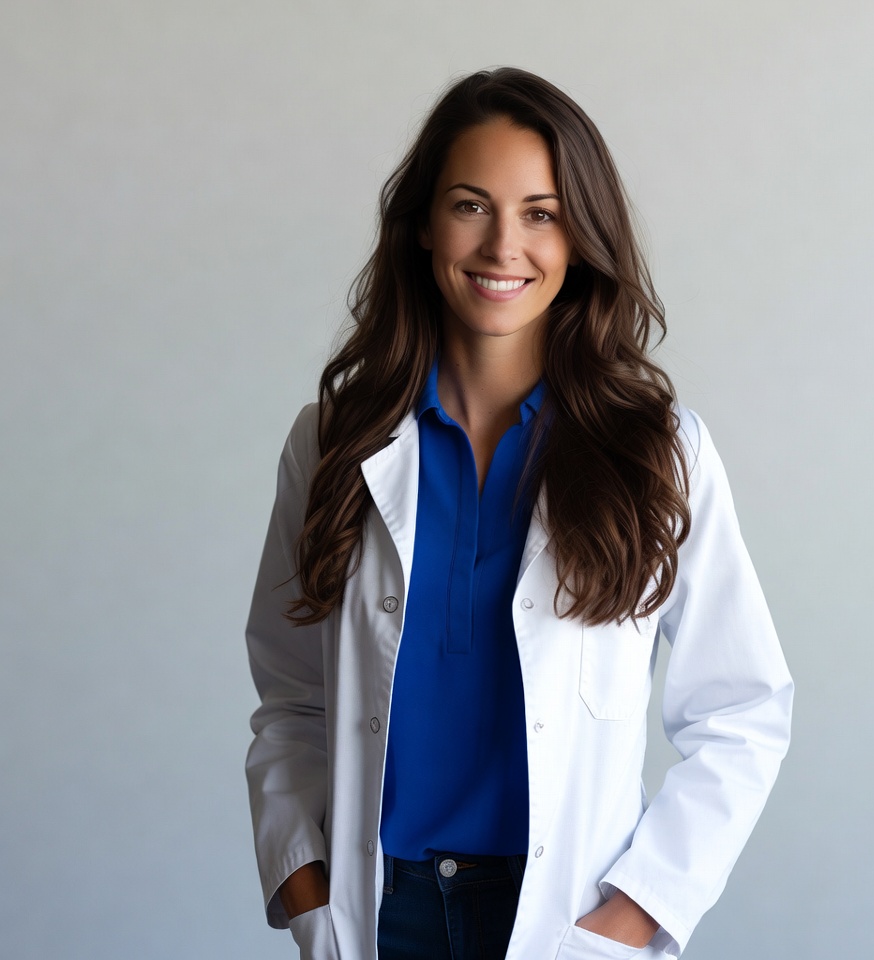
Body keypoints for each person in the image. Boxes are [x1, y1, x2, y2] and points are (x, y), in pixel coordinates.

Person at [245, 67, 793, 960]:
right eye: (471, 205)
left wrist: (634, 914)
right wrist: (307, 888)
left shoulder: (658, 451)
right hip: (381, 910)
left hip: (557, 917)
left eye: (540, 212)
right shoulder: (332, 444)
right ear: (422, 224)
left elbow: (742, 712)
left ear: (580, 236)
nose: (505, 245)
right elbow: (291, 700)